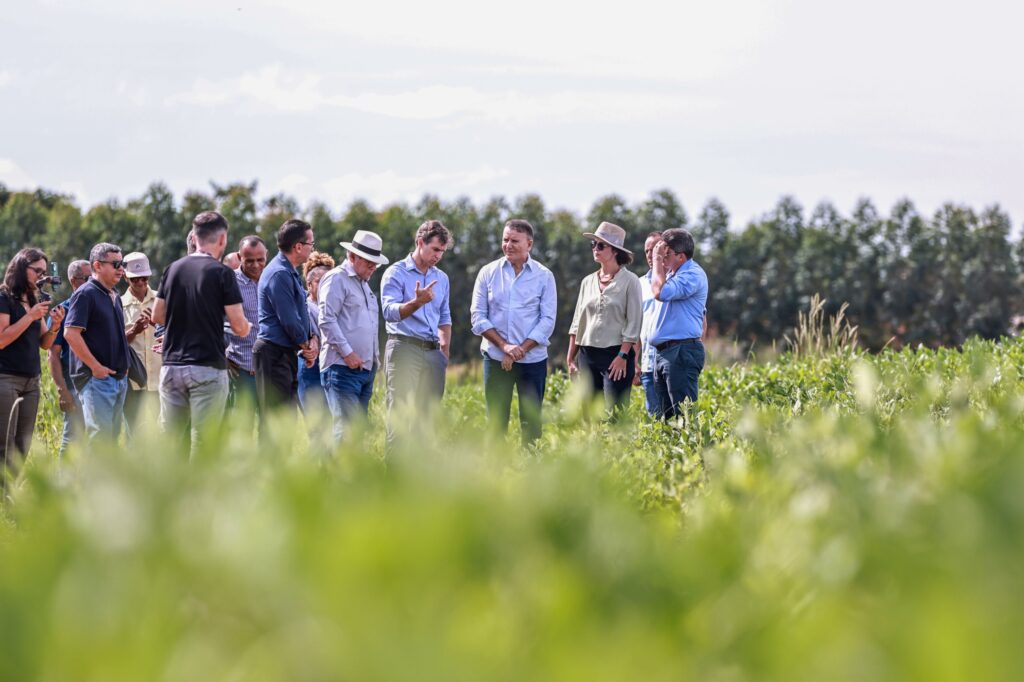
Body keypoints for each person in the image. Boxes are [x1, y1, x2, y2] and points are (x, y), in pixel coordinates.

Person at [151, 211, 250, 453]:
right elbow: (239, 326)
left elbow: (157, 316)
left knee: (170, 442)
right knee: (204, 442)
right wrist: (247, 326)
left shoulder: (172, 269)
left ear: (194, 237)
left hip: (172, 366)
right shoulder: (222, 273)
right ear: (222, 240)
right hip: (207, 366)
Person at [470, 219, 556, 445]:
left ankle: (531, 472)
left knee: (531, 423)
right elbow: (478, 316)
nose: (508, 245)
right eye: (505, 240)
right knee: (496, 422)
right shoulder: (488, 273)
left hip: (533, 360)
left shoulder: (544, 276)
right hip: (496, 358)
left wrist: (520, 350)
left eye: (514, 241)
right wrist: (505, 347)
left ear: (529, 244)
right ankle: (496, 473)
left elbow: (547, 320)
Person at [380, 220, 452, 441]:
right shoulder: (396, 273)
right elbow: (389, 311)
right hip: (404, 348)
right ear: (420, 242)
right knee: (400, 416)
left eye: (442, 251)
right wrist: (416, 303)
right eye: (435, 249)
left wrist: (444, 351)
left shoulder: (441, 278)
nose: (438, 255)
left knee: (427, 419)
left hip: (433, 353)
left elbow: (445, 317)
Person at [566, 221, 642, 416]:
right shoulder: (587, 282)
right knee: (589, 415)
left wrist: (623, 356)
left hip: (616, 356)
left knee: (615, 414)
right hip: (587, 355)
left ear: (615, 250)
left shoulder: (630, 281)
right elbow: (577, 322)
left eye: (601, 245)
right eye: (593, 245)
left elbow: (634, 323)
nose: (595, 249)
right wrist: (570, 358)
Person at [0, 248, 64, 480]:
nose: (42, 276)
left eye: (44, 272)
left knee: (22, 446)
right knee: (4, 445)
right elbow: (1, 339)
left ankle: (10, 497)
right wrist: (29, 317)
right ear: (21, 268)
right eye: (37, 271)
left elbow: (44, 344)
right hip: (6, 379)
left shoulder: (35, 300)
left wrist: (55, 325)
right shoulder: (4, 298)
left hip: (31, 381)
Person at [318, 231, 388, 440]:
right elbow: (326, 319)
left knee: (356, 432)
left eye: (375, 263)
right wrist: (348, 353)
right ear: (352, 256)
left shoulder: (364, 285)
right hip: (342, 367)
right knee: (346, 430)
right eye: (369, 262)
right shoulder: (337, 278)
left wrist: (374, 361)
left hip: (364, 369)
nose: (373, 267)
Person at [63, 243, 131, 443]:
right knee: (100, 441)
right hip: (98, 380)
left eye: (122, 263)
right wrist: (95, 367)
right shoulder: (85, 293)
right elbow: (70, 333)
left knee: (110, 439)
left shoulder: (114, 295)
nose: (121, 269)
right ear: (98, 266)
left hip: (118, 379)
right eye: (116, 264)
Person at [254, 219, 319, 423]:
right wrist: (307, 346)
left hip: (285, 353)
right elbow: (289, 320)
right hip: (273, 354)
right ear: (298, 246)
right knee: (276, 423)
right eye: (311, 244)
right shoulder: (280, 273)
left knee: (287, 423)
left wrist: (311, 338)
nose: (312, 249)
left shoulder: (288, 271)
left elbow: (301, 312)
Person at [649, 227, 708, 418]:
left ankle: (696, 448)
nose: (662, 258)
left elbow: (660, 293)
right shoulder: (674, 274)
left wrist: (657, 260)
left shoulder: (692, 274)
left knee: (684, 418)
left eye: (666, 254)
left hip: (681, 352)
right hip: (666, 353)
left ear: (681, 257)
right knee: (667, 418)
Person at [48, 259, 91, 456]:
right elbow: (53, 354)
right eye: (88, 278)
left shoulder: (99, 304)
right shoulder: (61, 311)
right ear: (74, 281)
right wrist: (62, 390)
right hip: (73, 385)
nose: (92, 282)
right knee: (72, 439)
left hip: (98, 384)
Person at [224, 235, 267, 412]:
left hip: (271, 371)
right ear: (240, 257)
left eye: (260, 260)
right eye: (249, 261)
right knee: (241, 431)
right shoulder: (228, 282)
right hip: (241, 370)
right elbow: (217, 322)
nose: (256, 265)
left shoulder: (273, 279)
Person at [121, 252, 162, 433]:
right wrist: (134, 331)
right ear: (125, 277)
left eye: (144, 278)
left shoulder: (161, 300)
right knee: (135, 435)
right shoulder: (118, 304)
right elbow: (116, 342)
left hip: (160, 379)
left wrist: (157, 323)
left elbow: (175, 331)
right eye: (134, 279)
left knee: (163, 433)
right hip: (133, 382)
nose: (140, 283)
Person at [298, 251, 335, 413]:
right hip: (310, 367)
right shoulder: (303, 307)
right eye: (320, 281)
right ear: (309, 284)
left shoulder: (336, 306)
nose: (326, 286)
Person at [634, 231, 663, 416]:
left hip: (671, 361)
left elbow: (701, 319)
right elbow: (634, 326)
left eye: (654, 250)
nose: (650, 255)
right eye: (647, 251)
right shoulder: (639, 284)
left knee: (678, 417)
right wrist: (634, 363)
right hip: (648, 364)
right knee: (655, 417)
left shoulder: (676, 277)